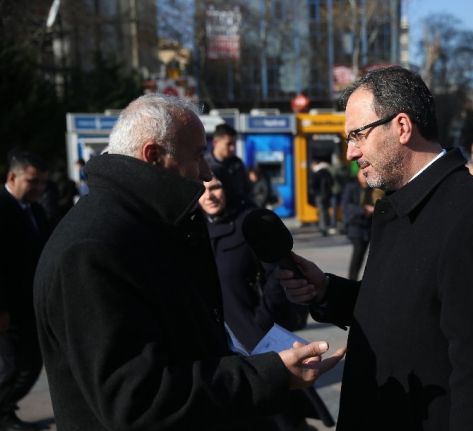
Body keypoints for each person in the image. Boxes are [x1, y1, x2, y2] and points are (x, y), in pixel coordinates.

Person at [33, 94, 344, 430]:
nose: (207, 172)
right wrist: (268, 374)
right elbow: (138, 400)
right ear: (153, 156)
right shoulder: (92, 251)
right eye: (198, 156)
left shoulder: (147, 223)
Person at [278, 66, 473, 430]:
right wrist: (327, 290)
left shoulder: (469, 212)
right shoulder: (401, 201)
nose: (350, 152)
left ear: (402, 127)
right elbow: (403, 311)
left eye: (357, 135)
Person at [198, 173, 334, 430]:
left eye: (215, 187)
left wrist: (264, 316)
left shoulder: (247, 223)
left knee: (281, 415)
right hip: (216, 339)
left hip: (254, 333)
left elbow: (276, 273)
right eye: (202, 190)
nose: (210, 195)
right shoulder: (194, 231)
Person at [0, 150, 50, 431]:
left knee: (30, 364)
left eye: (43, 182)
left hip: (30, 305)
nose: (39, 189)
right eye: (33, 182)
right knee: (12, 366)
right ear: (12, 177)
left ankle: (5, 409)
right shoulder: (2, 207)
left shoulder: (36, 210)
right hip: (9, 309)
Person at [341, 168, 383, 280]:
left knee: (372, 256)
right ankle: (352, 280)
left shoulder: (375, 188)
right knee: (358, 254)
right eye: (362, 173)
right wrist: (364, 210)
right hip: (356, 226)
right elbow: (346, 206)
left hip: (370, 226)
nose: (364, 175)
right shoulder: (351, 187)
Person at [205, 123, 252, 201]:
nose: (232, 148)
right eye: (229, 144)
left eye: (234, 144)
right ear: (215, 143)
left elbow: (247, 191)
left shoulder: (238, 164)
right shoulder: (204, 164)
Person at [309, 158, 336, 236]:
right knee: (326, 211)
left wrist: (315, 193)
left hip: (319, 196)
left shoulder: (316, 173)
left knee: (322, 211)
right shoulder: (327, 172)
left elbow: (313, 185)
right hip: (327, 195)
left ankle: (323, 228)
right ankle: (327, 226)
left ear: (315, 164)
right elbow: (332, 182)